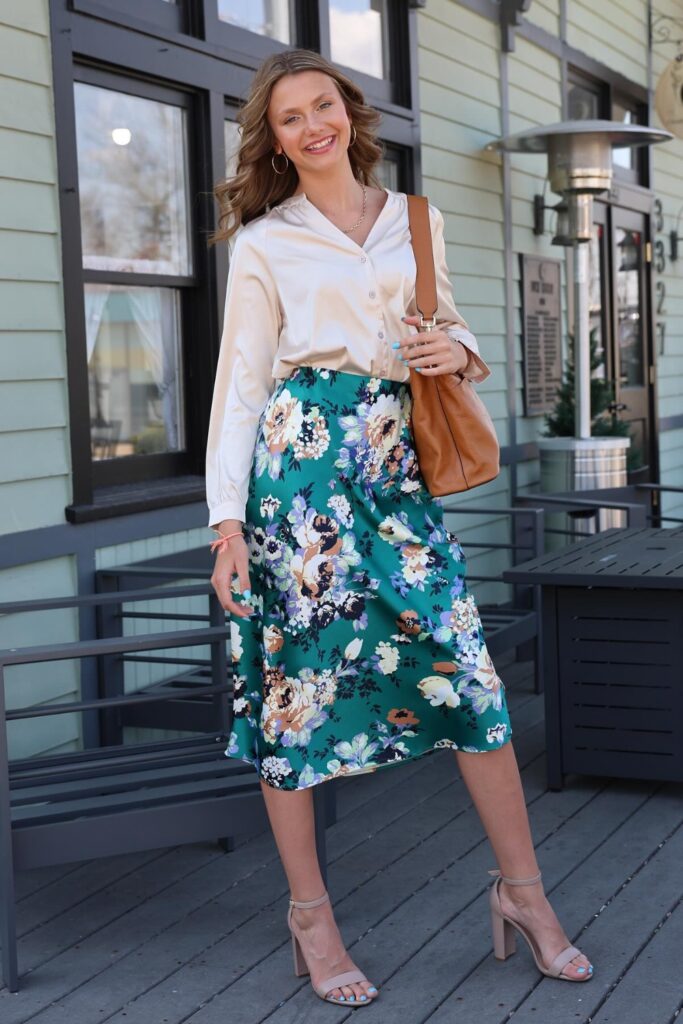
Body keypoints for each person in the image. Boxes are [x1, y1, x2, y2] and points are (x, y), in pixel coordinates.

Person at [206, 48, 593, 1009]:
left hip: (394, 478)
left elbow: (460, 336)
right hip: (297, 486)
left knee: (468, 678)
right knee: (297, 699)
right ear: (277, 139)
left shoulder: (416, 218)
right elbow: (242, 389)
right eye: (289, 117)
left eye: (322, 106)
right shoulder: (265, 241)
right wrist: (226, 527)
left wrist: (448, 345)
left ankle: (523, 896)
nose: (311, 126)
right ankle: (311, 916)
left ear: (350, 114)